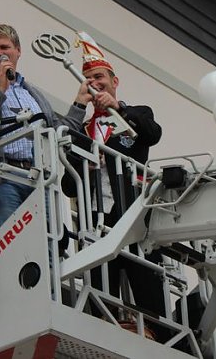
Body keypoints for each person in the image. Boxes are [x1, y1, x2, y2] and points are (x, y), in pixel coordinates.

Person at [67, 32, 166, 336]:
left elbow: (153, 133)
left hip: (131, 208)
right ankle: (104, 330)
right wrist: (77, 106)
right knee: (100, 285)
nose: (95, 82)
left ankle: (159, 333)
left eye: (99, 76)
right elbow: (69, 184)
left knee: (145, 276)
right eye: (89, 79)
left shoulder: (136, 113)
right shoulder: (83, 127)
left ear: (114, 81)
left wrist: (120, 110)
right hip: (97, 215)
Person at [0, 24, 86, 235]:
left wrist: (79, 105)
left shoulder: (34, 94)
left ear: (18, 51)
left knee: (47, 250)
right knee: (11, 248)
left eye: (4, 47)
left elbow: (56, 133)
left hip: (38, 180)